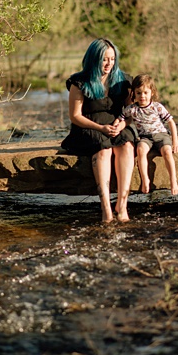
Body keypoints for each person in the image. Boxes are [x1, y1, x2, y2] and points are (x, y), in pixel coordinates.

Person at [61, 38, 137, 223]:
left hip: (116, 124)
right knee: (104, 151)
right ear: (93, 59)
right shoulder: (79, 82)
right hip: (89, 126)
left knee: (127, 147)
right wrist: (100, 128)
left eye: (112, 59)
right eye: (104, 59)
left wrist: (122, 124)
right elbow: (75, 116)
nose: (109, 64)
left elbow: (131, 112)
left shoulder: (124, 80)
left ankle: (122, 205)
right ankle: (106, 209)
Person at [121, 74, 178, 195]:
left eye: (145, 93)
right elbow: (121, 118)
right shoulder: (132, 109)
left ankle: (173, 180)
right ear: (134, 94)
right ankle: (145, 180)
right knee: (140, 150)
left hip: (161, 135)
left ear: (151, 92)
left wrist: (175, 141)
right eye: (138, 93)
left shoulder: (157, 107)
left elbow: (171, 122)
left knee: (167, 152)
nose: (142, 96)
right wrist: (116, 125)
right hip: (145, 138)